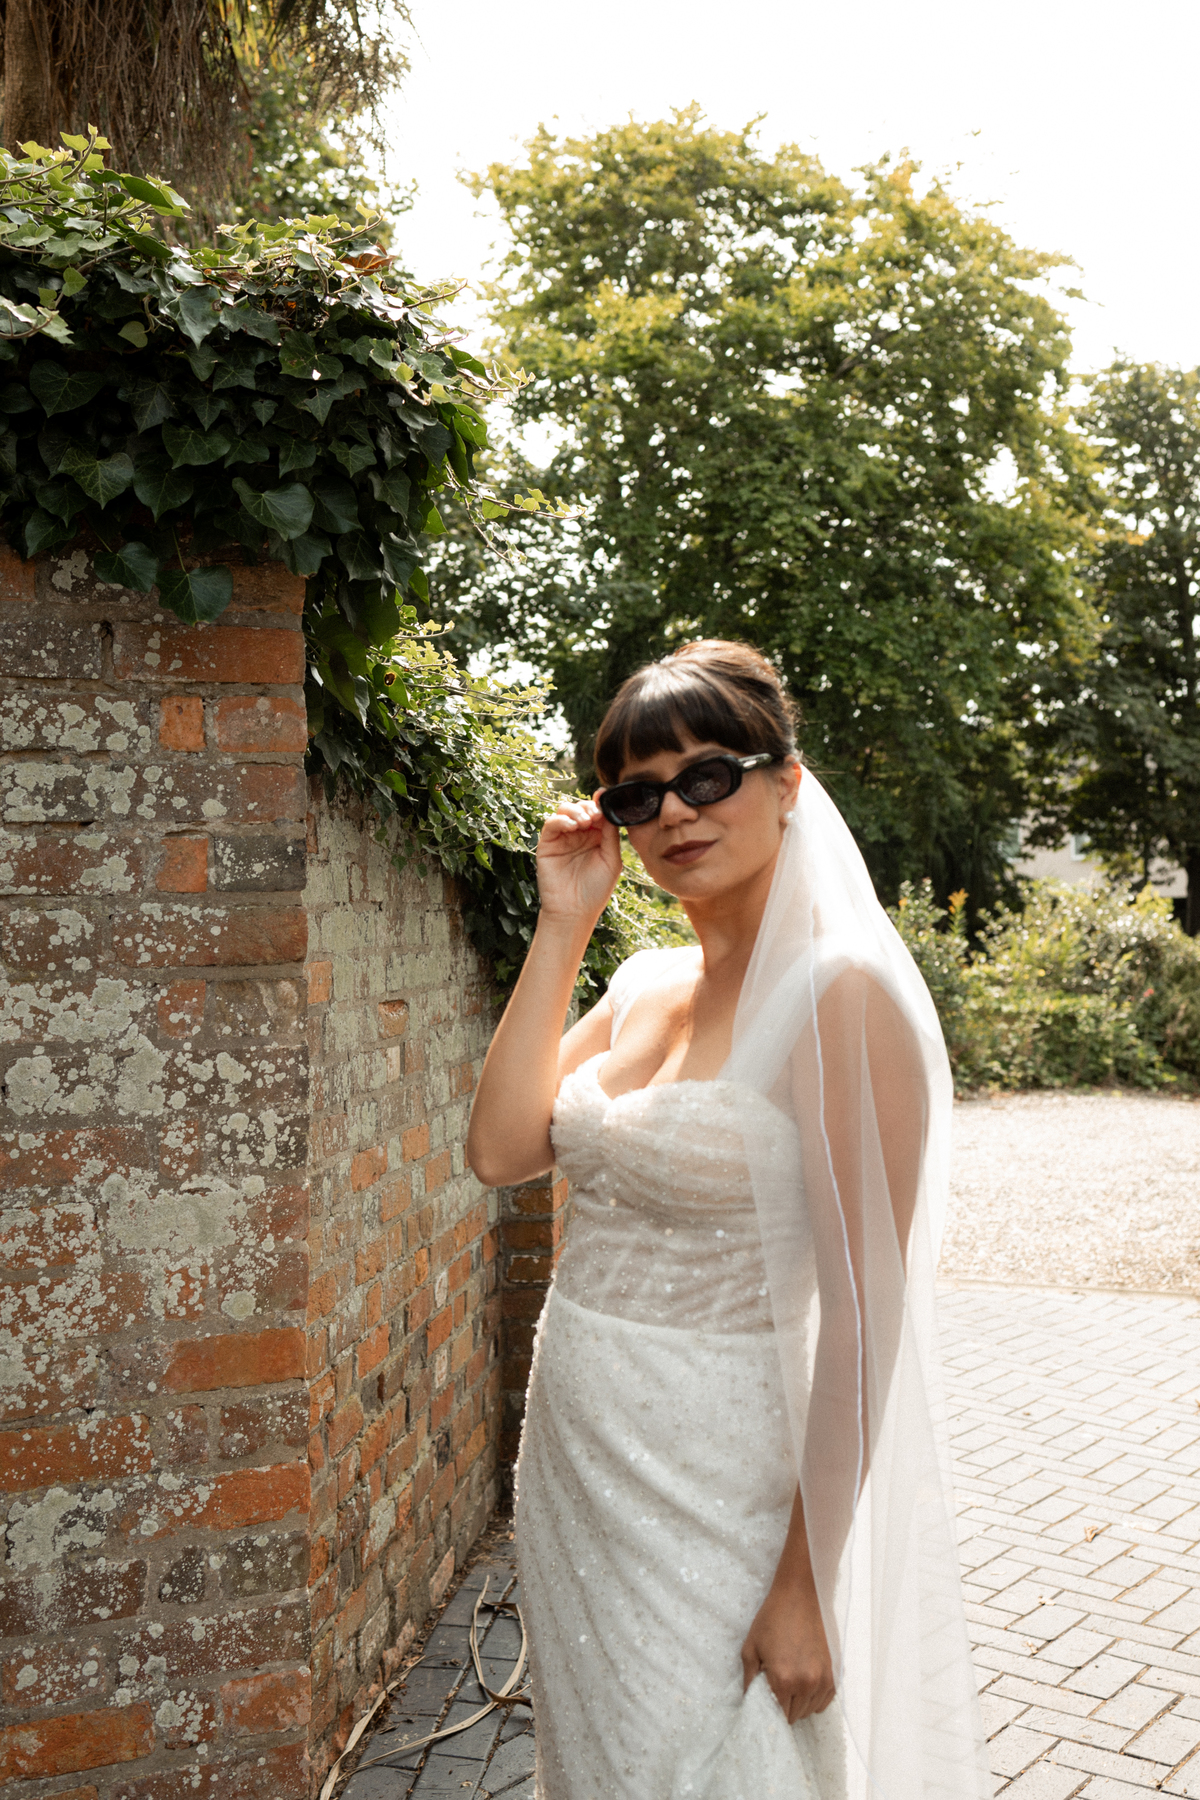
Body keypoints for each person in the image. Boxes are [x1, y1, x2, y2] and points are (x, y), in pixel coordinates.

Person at [467, 641, 989, 1800]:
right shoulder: (644, 982)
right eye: (636, 795)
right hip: (576, 1458)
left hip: (720, 1474)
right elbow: (499, 1149)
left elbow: (865, 1322)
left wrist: (806, 1583)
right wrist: (562, 925)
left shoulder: (841, 996)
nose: (673, 812)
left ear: (786, 780)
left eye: (707, 776)